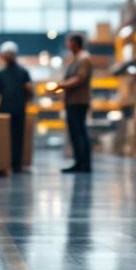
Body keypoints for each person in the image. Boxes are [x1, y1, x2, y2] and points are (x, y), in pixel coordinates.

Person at [0, 41, 32, 173]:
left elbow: (29, 91)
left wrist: (28, 96)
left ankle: (16, 164)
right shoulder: (1, 74)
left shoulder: (23, 72)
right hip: (5, 111)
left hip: (18, 109)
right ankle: (5, 162)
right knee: (5, 138)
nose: (5, 57)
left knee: (18, 137)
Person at [56, 33, 93, 173]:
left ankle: (84, 164)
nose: (67, 45)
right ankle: (79, 162)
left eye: (69, 42)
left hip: (79, 101)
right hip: (72, 101)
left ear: (75, 43)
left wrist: (61, 85)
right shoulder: (77, 58)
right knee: (75, 133)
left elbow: (79, 79)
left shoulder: (84, 58)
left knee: (79, 132)